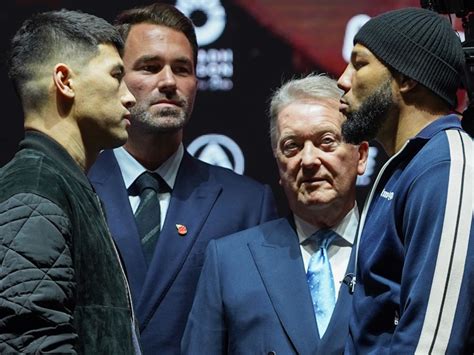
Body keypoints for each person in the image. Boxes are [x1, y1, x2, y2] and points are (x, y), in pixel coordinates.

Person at [87, 3, 278, 354]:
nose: (169, 82)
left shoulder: (247, 205)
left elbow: (261, 332)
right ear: (117, 79)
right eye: (150, 67)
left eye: (182, 69)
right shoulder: (75, 189)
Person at [181, 74, 369, 354]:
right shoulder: (231, 261)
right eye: (291, 146)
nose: (308, 160)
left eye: (326, 141)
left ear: (361, 156)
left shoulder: (396, 251)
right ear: (278, 165)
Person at [0, 9, 139, 354]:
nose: (130, 97)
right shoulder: (34, 187)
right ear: (65, 80)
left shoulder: (61, 183)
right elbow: (31, 341)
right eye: (115, 75)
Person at [337, 7, 474, 354]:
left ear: (407, 78)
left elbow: (433, 342)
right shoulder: (407, 167)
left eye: (359, 63)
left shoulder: (447, 164)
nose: (343, 79)